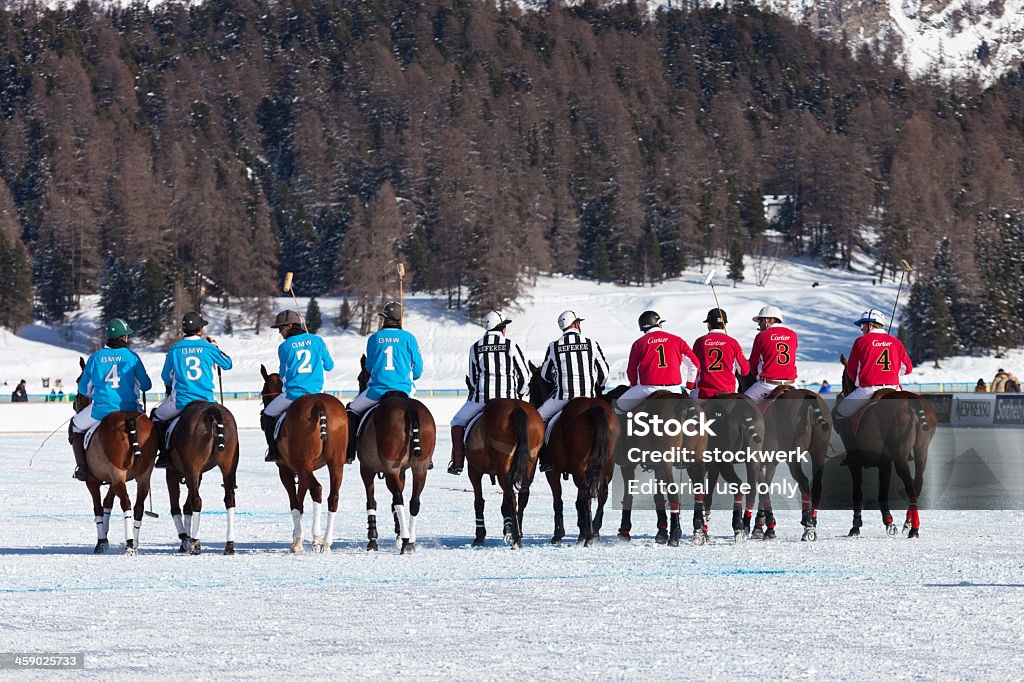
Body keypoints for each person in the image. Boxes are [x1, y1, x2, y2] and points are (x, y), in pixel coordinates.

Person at [447, 310, 530, 476]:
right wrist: (520, 394)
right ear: (501, 328)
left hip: (482, 399)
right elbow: (525, 375)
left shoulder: (475, 347)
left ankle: (457, 462)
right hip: (509, 397)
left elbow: (472, 378)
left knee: (456, 422)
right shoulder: (510, 345)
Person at [70, 319, 153, 481]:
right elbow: (146, 385)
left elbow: (83, 389)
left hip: (102, 410)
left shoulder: (95, 358)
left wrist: (94, 392)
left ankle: (82, 467)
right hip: (132, 409)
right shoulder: (132, 357)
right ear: (123, 338)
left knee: (75, 426)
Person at [151, 312, 233, 468]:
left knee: (156, 416)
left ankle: (163, 455)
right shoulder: (208, 347)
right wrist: (216, 348)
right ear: (200, 329)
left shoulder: (174, 349)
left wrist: (172, 383)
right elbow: (228, 364)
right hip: (207, 401)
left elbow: (165, 377)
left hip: (181, 402)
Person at [346, 302, 423, 463]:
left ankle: (349, 452)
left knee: (351, 410)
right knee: (419, 414)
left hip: (378, 391)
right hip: (405, 390)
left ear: (385, 319)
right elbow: (418, 371)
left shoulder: (374, 338)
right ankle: (424, 454)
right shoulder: (409, 338)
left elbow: (369, 367)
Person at [536, 310, 610, 471]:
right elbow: (604, 371)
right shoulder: (591, 343)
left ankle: (546, 459)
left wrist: (556, 380)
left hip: (563, 397)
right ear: (576, 324)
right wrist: (598, 387)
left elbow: (545, 374)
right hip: (588, 396)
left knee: (537, 419)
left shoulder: (554, 346)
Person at [833, 309, 913, 454]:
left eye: (862, 326)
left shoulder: (861, 341)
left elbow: (852, 371)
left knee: (839, 413)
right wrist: (891, 374)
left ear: (870, 325)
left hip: (868, 389)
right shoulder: (896, 342)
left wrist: (861, 381)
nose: (862, 329)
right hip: (895, 389)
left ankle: (852, 454)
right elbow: (907, 368)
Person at [261, 310, 335, 463]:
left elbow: (283, 374)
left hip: (293, 395)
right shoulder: (317, 340)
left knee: (267, 415)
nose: (280, 332)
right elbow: (329, 366)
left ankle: (274, 453)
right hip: (317, 393)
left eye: (281, 328)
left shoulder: (284, 347)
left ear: (289, 325)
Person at [615, 310, 698, 414]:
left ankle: (622, 430)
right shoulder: (677, 340)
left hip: (647, 389)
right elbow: (694, 364)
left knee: (618, 408)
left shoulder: (639, 343)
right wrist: (689, 386)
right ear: (658, 324)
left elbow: (631, 370)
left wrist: (635, 385)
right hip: (674, 389)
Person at [743, 305, 798, 403]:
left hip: (768, 386)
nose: (759, 325)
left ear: (769, 320)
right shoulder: (792, 334)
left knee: (742, 404)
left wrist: (756, 376)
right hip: (792, 384)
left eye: (760, 321)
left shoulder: (761, 336)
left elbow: (753, 363)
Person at [692, 309, 749, 401]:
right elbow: (744, 371)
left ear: (709, 324)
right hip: (729, 391)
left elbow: (693, 369)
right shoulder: (733, 342)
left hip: (704, 394)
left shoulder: (700, 342)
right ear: (725, 324)